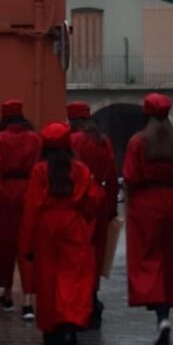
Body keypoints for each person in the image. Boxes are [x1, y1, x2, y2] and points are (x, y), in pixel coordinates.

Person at [122, 93, 173, 345]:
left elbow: (131, 176)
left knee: (149, 259)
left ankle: (160, 315)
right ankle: (165, 314)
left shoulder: (138, 142)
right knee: (171, 259)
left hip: (146, 204)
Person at [19, 122, 103, 345]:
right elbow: (93, 200)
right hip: (73, 224)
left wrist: (26, 244)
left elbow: (31, 208)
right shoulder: (80, 170)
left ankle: (52, 327)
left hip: (46, 227)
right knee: (73, 277)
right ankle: (70, 324)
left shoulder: (39, 171)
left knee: (48, 279)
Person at [67, 101, 118, 329]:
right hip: (100, 200)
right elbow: (112, 173)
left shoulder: (71, 141)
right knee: (96, 253)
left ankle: (79, 303)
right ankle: (93, 297)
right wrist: (112, 208)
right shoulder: (103, 141)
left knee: (77, 254)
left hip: (76, 201)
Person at [0, 99, 41, 320]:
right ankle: (28, 301)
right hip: (30, 189)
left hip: (6, 192)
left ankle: (8, 294)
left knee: (6, 245)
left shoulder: (0, 139)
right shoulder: (35, 138)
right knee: (28, 245)